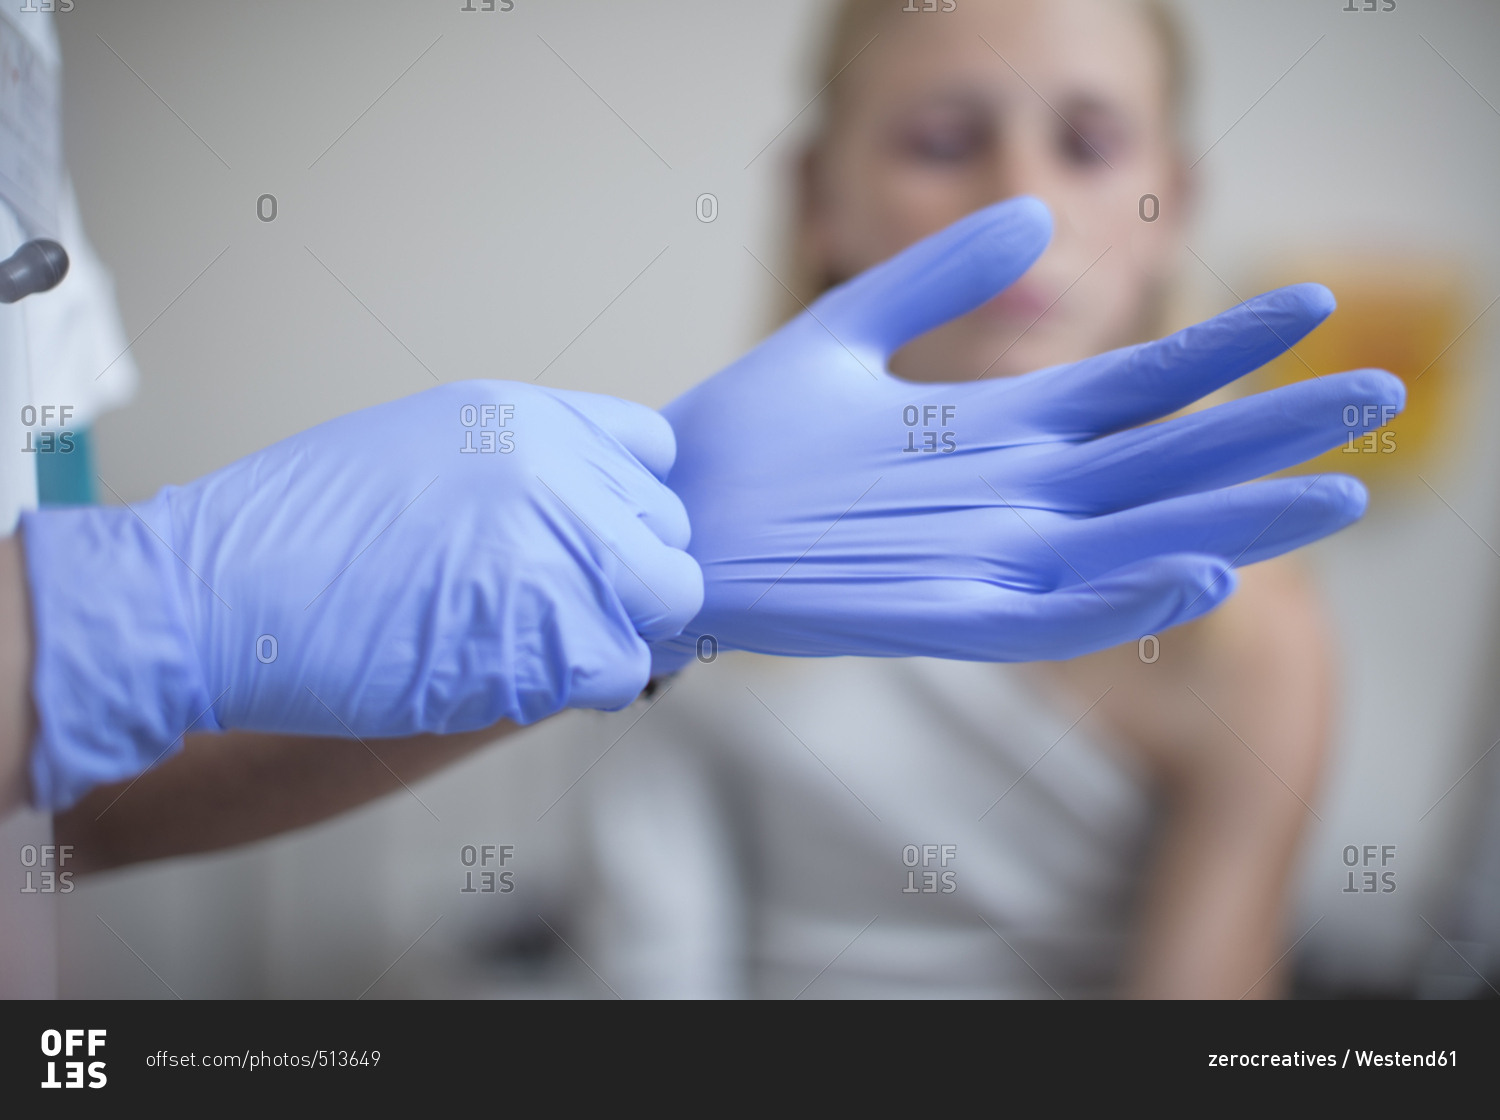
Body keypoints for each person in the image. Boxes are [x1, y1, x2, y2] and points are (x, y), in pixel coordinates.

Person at [574, 0, 1356, 998]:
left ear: (1176, 201)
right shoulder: (691, 545)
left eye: (1089, 144)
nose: (1020, 203)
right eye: (943, 142)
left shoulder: (1248, 633)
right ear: (820, 195)